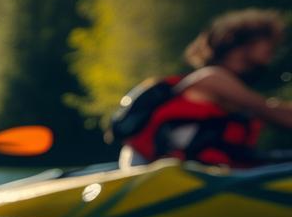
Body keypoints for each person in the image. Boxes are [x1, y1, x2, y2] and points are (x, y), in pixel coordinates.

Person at [116, 9, 292, 169]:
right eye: (268, 42)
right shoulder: (212, 77)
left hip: (198, 172)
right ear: (245, 42)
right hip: (153, 171)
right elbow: (269, 111)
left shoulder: (228, 84)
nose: (272, 51)